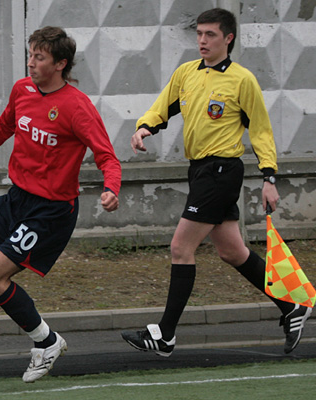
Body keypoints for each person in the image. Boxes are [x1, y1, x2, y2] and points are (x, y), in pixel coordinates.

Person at [0, 26, 121, 396]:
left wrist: (111, 188)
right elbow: (4, 126)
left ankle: (47, 341)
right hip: (17, 199)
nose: (31, 63)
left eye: (39, 57)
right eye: (30, 54)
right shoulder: (22, 90)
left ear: (60, 64)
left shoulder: (76, 106)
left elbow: (107, 156)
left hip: (50, 210)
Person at [121, 8, 311, 357]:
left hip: (222, 171)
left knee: (181, 247)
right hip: (199, 171)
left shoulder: (242, 80)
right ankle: (292, 306)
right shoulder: (186, 73)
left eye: (210, 34)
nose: (202, 40)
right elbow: (163, 107)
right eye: (199, 34)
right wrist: (144, 127)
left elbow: (262, 131)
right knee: (232, 251)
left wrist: (269, 177)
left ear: (228, 38)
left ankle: (165, 335)